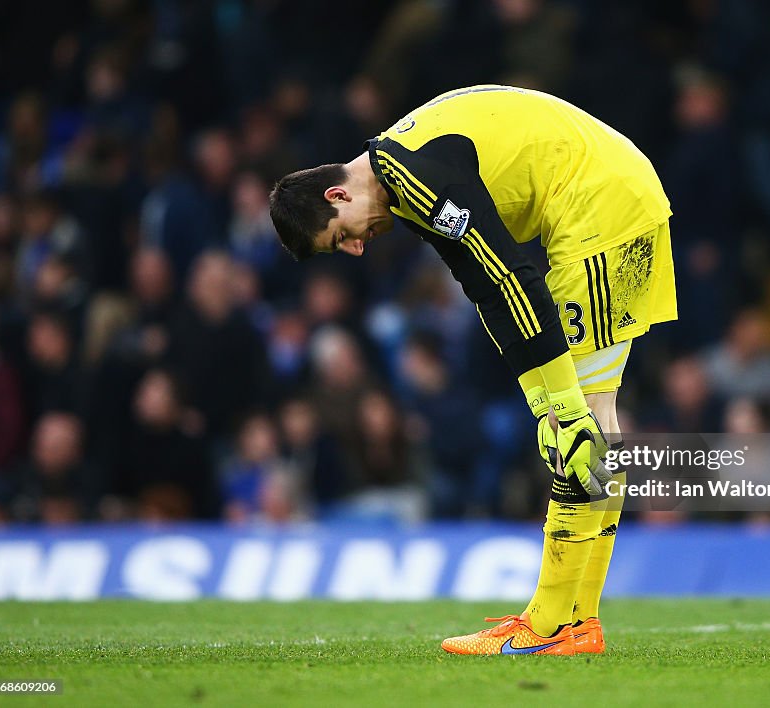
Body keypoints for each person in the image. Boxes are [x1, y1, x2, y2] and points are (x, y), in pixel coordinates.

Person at [269, 85, 677, 655]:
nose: (356, 249)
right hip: (612, 197)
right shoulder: (405, 179)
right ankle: (575, 623)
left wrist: (558, 404)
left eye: (340, 235)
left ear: (338, 193)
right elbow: (485, 288)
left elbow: (512, 277)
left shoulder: (411, 175)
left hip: (601, 207)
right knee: (592, 425)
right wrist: (543, 401)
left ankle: (551, 624)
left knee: (581, 431)